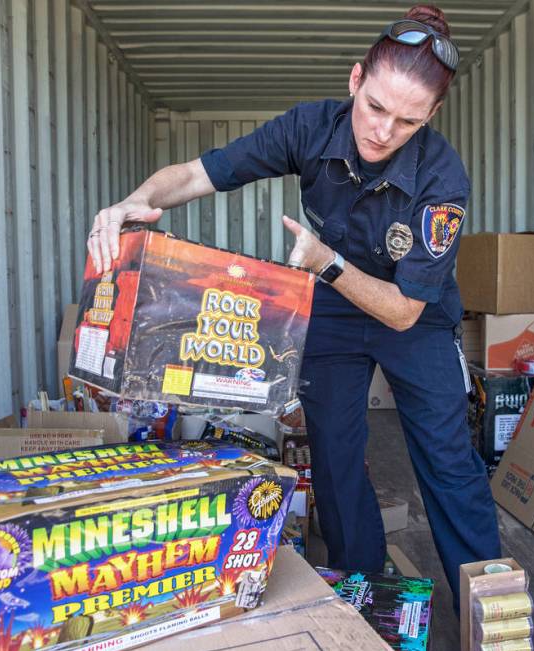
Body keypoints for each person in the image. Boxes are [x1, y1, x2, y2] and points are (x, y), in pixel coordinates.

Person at [86, 4, 501, 611]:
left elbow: (406, 311)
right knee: (333, 455)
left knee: (448, 461)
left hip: (413, 316)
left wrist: (325, 261)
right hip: (333, 308)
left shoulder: (443, 179)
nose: (383, 131)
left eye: (408, 121)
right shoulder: (310, 128)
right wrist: (133, 201)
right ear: (355, 80)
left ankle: (489, 611)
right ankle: (362, 596)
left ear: (432, 117)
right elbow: (198, 174)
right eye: (375, 107)